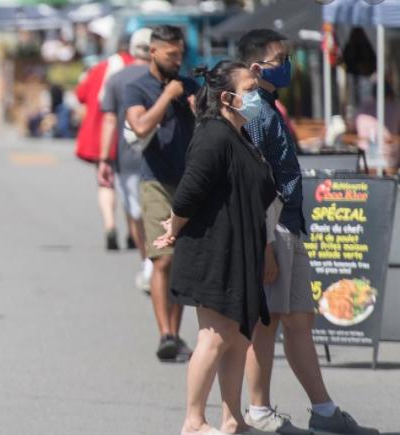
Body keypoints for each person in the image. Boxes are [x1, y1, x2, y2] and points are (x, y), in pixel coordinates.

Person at [237, 29, 379, 435]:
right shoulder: (254, 111)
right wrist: (265, 243)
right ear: (255, 67)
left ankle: (324, 412)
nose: (287, 65)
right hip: (275, 227)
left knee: (299, 319)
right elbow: (255, 182)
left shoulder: (268, 108)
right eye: (279, 58)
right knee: (268, 321)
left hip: (291, 226)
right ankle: (258, 410)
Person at [154, 60, 278, 435]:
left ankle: (232, 420)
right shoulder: (213, 135)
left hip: (239, 249)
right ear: (227, 98)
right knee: (215, 336)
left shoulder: (238, 133)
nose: (258, 95)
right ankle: (193, 421)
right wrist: (173, 227)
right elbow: (190, 190)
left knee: (238, 337)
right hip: (214, 251)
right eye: (250, 90)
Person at [124, 25, 197, 361]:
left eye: (180, 53)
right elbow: (139, 126)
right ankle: (165, 333)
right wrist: (167, 96)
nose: (177, 60)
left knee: (181, 261)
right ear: (153, 51)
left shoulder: (190, 86)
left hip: (190, 183)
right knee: (163, 259)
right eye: (171, 54)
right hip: (155, 181)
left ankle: (175, 334)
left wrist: (194, 103)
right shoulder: (137, 88)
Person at [99, 28, 154, 292]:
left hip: (126, 157)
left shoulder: (117, 78)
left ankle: (147, 262)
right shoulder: (164, 78)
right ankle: (157, 263)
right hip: (161, 157)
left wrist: (103, 159)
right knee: (159, 211)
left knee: (135, 213)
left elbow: (109, 119)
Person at [75, 40, 134, 251]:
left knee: (105, 182)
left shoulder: (101, 67)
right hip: (130, 134)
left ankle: (110, 226)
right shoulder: (138, 68)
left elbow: (81, 94)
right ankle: (132, 232)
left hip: (101, 135)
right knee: (130, 184)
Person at [355, 82, 400, 175]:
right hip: (388, 157)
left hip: (363, 156)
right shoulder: (395, 107)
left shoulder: (363, 107)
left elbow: (351, 128)